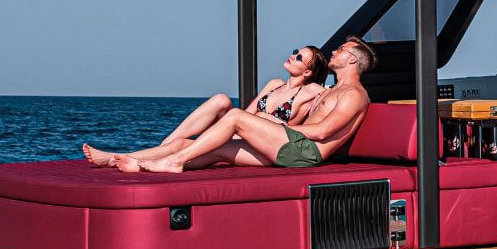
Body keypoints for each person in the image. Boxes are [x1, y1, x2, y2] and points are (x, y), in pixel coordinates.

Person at [125, 39, 375, 172]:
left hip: (305, 153)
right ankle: (134, 163)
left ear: (352, 59)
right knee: (213, 148)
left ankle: (174, 162)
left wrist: (279, 126)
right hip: (293, 147)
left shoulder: (354, 94)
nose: (335, 51)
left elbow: (322, 132)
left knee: (235, 116)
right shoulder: (335, 90)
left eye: (341, 49)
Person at [82, 46, 325, 170]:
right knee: (221, 100)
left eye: (300, 58)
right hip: (245, 134)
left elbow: (300, 129)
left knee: (182, 146)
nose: (293, 56)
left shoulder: (311, 92)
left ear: (308, 72)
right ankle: (154, 152)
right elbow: (248, 114)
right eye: (295, 52)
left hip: (267, 149)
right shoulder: (274, 84)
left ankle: (118, 160)